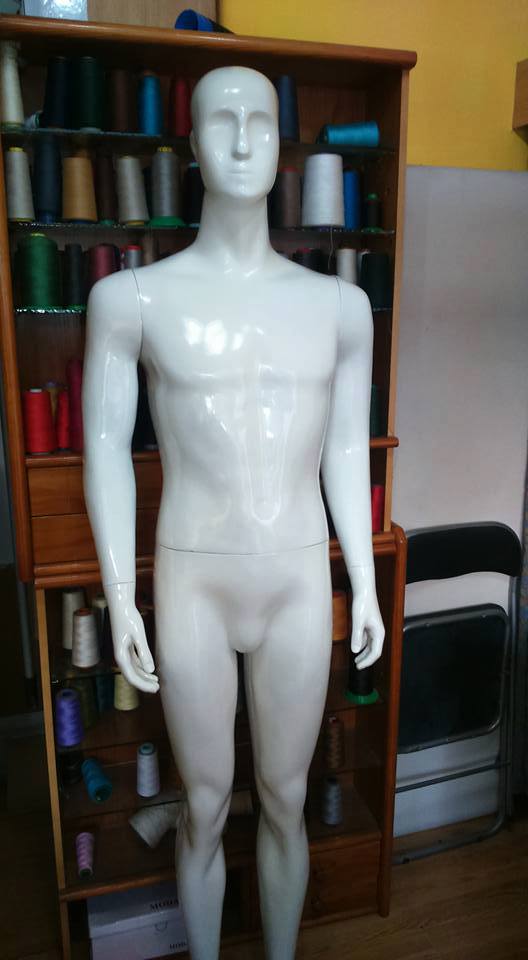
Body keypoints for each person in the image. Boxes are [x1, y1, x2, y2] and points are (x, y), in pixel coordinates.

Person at [82, 65, 384, 960]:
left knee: (287, 800)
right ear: (191, 145)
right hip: (194, 580)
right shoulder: (130, 300)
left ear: (283, 143)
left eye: (261, 120)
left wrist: (364, 582)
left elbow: (345, 452)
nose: (245, 138)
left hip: (298, 576)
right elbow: (106, 451)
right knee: (207, 805)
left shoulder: (340, 308)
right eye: (223, 120)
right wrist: (121, 597)